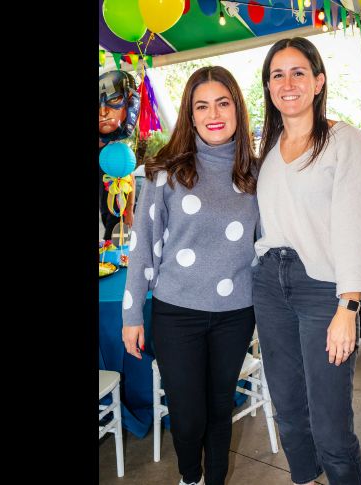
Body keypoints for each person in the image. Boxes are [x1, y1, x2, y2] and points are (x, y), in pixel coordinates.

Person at [252, 37, 361, 485]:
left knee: (330, 423)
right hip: (270, 284)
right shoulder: (266, 149)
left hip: (321, 289)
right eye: (277, 74)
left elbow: (357, 224)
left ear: (318, 81)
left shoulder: (342, 139)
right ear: (268, 87)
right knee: (289, 411)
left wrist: (348, 307)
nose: (287, 83)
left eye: (298, 72)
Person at [121, 66, 259, 485]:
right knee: (186, 413)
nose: (213, 113)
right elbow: (142, 247)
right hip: (176, 313)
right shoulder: (165, 171)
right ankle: (190, 477)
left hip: (236, 314)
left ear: (236, 107)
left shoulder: (257, 174)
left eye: (222, 102)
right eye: (202, 105)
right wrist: (131, 317)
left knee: (220, 409)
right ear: (190, 114)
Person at [99, 69, 141, 241]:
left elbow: (130, 178)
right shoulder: (106, 151)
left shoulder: (115, 151)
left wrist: (130, 211)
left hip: (120, 210)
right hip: (105, 209)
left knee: (115, 244)